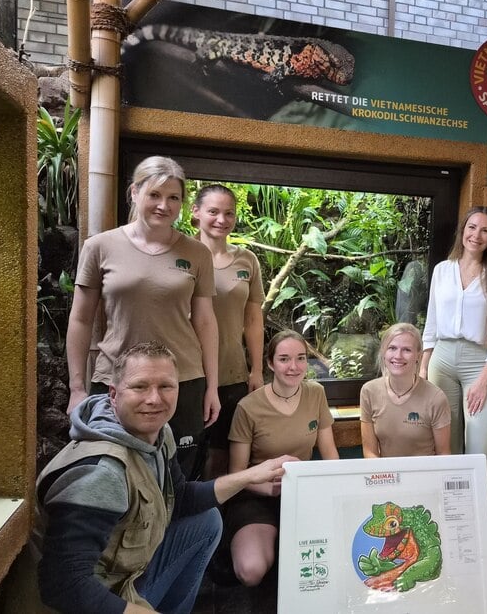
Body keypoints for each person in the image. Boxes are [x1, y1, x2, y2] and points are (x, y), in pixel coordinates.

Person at [35, 342, 290, 614]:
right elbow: (63, 584)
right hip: (94, 599)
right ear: (113, 394)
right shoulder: (102, 473)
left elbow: (179, 499)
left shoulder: (159, 434)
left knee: (207, 521)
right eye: (140, 386)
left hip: (129, 575)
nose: (154, 399)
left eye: (166, 386)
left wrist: (250, 475)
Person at [66, 156, 220, 479]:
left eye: (173, 197)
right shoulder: (99, 247)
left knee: (179, 479)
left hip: (182, 382)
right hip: (115, 380)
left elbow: (205, 322)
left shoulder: (197, 254)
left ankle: (178, 533)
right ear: (135, 193)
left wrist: (212, 386)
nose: (163, 205)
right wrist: (77, 387)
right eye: (154, 195)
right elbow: (80, 320)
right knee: (110, 475)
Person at [226, 330, 340, 586]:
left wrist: (336, 493)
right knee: (251, 570)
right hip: (257, 495)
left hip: (303, 494)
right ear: (270, 363)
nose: (294, 367)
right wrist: (269, 489)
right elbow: (236, 475)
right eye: (284, 359)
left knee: (326, 561)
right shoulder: (248, 407)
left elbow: (330, 454)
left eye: (301, 358)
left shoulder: (316, 394)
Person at [419, 206, 487, 500]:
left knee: (480, 449)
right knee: (444, 444)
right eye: (472, 227)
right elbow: (431, 323)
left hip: (481, 363)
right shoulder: (442, 270)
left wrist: (486, 377)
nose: (477, 235)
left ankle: (480, 532)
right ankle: (448, 522)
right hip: (442, 360)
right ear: (463, 231)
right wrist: (423, 368)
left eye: (485, 230)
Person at [192, 183, 265, 479]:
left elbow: (253, 320)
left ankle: (220, 522)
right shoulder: (181, 255)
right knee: (187, 454)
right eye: (213, 212)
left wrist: (256, 370)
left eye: (229, 213)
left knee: (224, 456)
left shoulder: (247, 260)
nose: (222, 220)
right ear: (195, 212)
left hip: (232, 373)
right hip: (188, 374)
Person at [361, 323, 451, 457]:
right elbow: (370, 452)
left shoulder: (436, 398)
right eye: (392, 348)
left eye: (407, 350)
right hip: (387, 475)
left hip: (424, 474)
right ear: (383, 353)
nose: (398, 356)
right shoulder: (369, 391)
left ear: (418, 356)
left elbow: (443, 453)